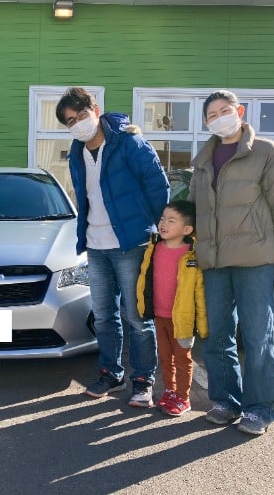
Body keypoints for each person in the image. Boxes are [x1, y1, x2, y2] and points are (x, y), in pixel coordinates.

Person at [189, 89, 274, 435]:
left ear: (239, 111)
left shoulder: (265, 152)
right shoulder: (203, 159)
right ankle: (226, 401)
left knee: (258, 336)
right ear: (207, 122)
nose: (219, 118)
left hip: (257, 260)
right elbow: (195, 208)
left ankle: (261, 409)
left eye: (225, 110)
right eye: (212, 115)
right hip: (215, 263)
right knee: (218, 336)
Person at [55, 87, 170, 408]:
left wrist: (159, 230)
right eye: (69, 122)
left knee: (137, 316)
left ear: (95, 108)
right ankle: (111, 373)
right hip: (96, 246)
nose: (77, 124)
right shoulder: (77, 152)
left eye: (80, 116)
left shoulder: (129, 142)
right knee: (104, 316)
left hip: (132, 243)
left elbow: (157, 185)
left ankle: (143, 380)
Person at [136, 200, 208, 416]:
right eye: (162, 219)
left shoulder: (192, 255)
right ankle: (169, 391)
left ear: (187, 229)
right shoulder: (154, 248)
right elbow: (144, 279)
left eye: (171, 220)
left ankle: (183, 397)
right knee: (165, 357)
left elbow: (199, 291)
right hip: (159, 315)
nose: (163, 224)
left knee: (183, 358)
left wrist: (202, 324)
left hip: (183, 319)